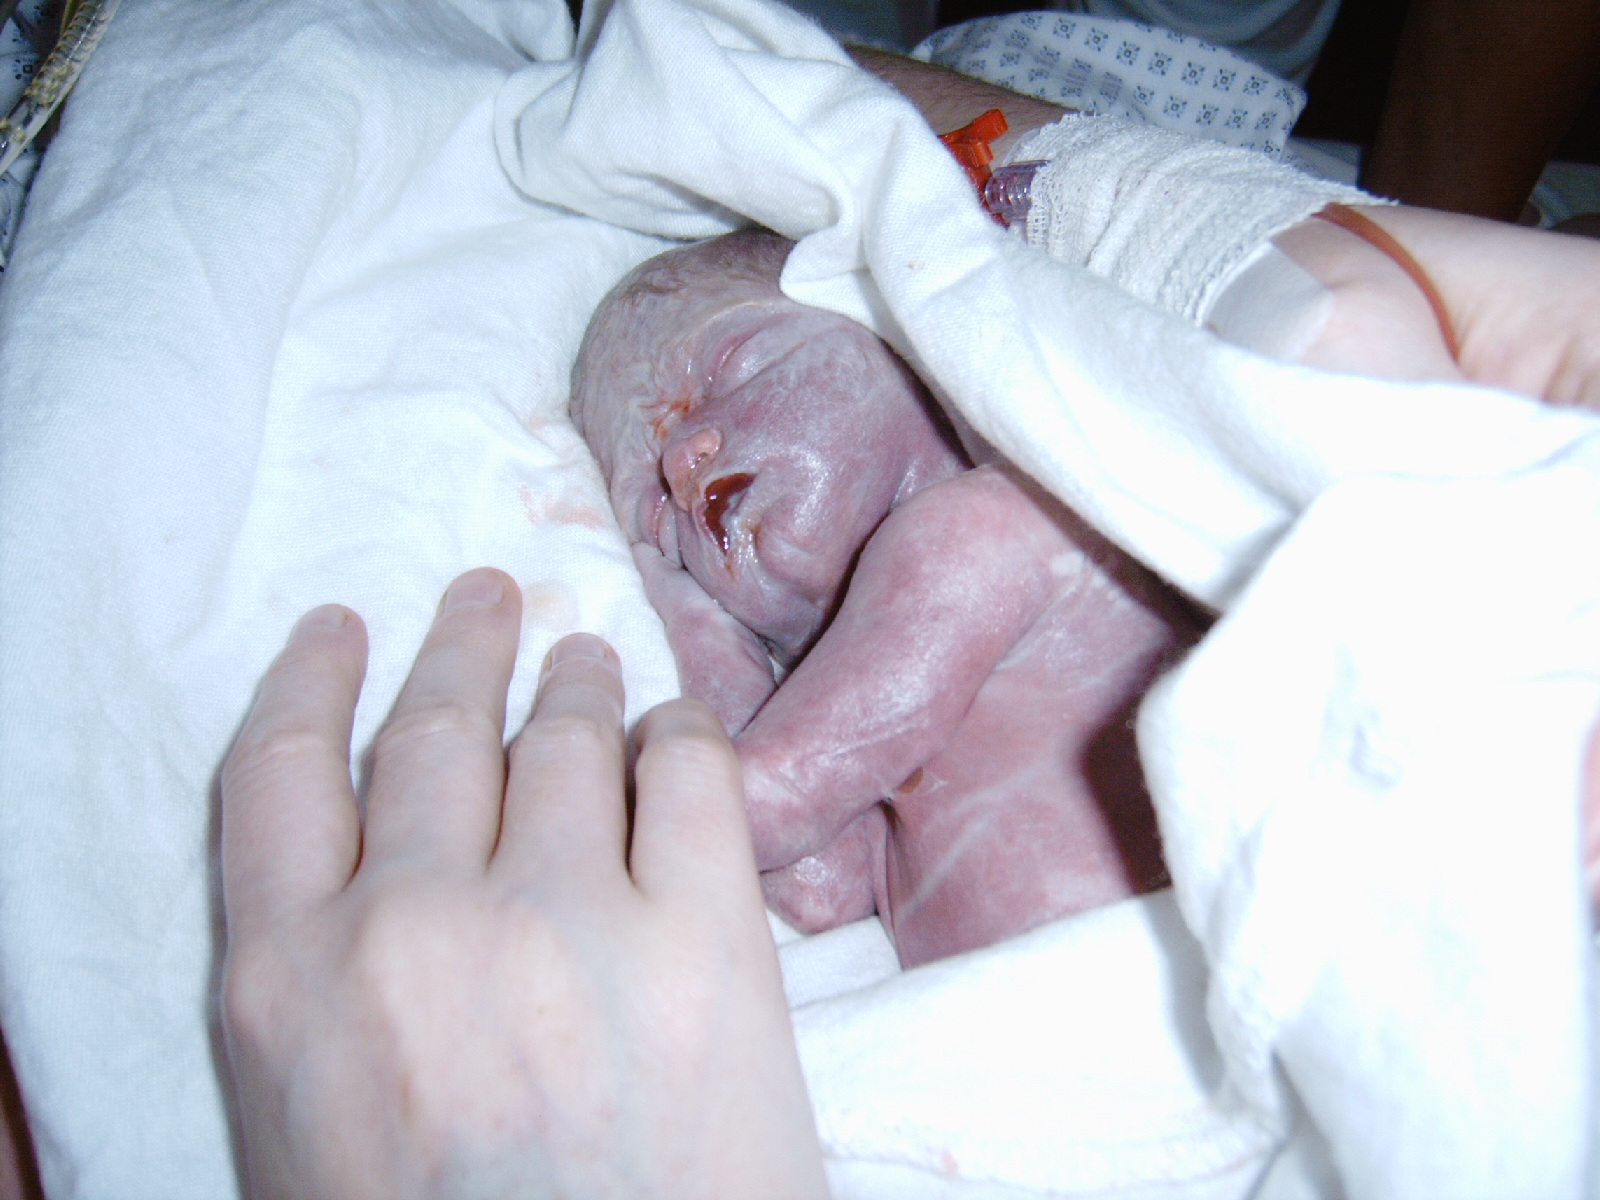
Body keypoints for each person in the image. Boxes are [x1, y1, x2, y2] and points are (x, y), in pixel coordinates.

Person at [219, 45, 1600, 1200]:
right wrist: (690, 624)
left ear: (923, 361)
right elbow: (818, 883)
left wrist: (704, 747)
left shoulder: (1014, 529)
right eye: (649, 497)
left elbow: (767, 800)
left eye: (723, 376)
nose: (690, 461)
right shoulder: (865, 741)